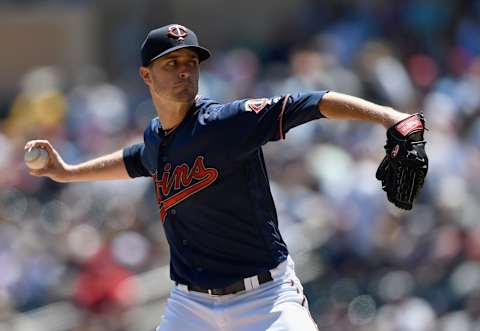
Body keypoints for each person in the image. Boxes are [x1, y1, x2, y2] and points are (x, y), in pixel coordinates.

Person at [26, 24, 415, 331]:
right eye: (171, 63)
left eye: (190, 62)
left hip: (265, 298)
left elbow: (312, 103)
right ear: (146, 75)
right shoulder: (155, 138)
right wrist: (68, 172)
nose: (183, 71)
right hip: (190, 306)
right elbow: (134, 160)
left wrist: (391, 117)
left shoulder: (225, 122)